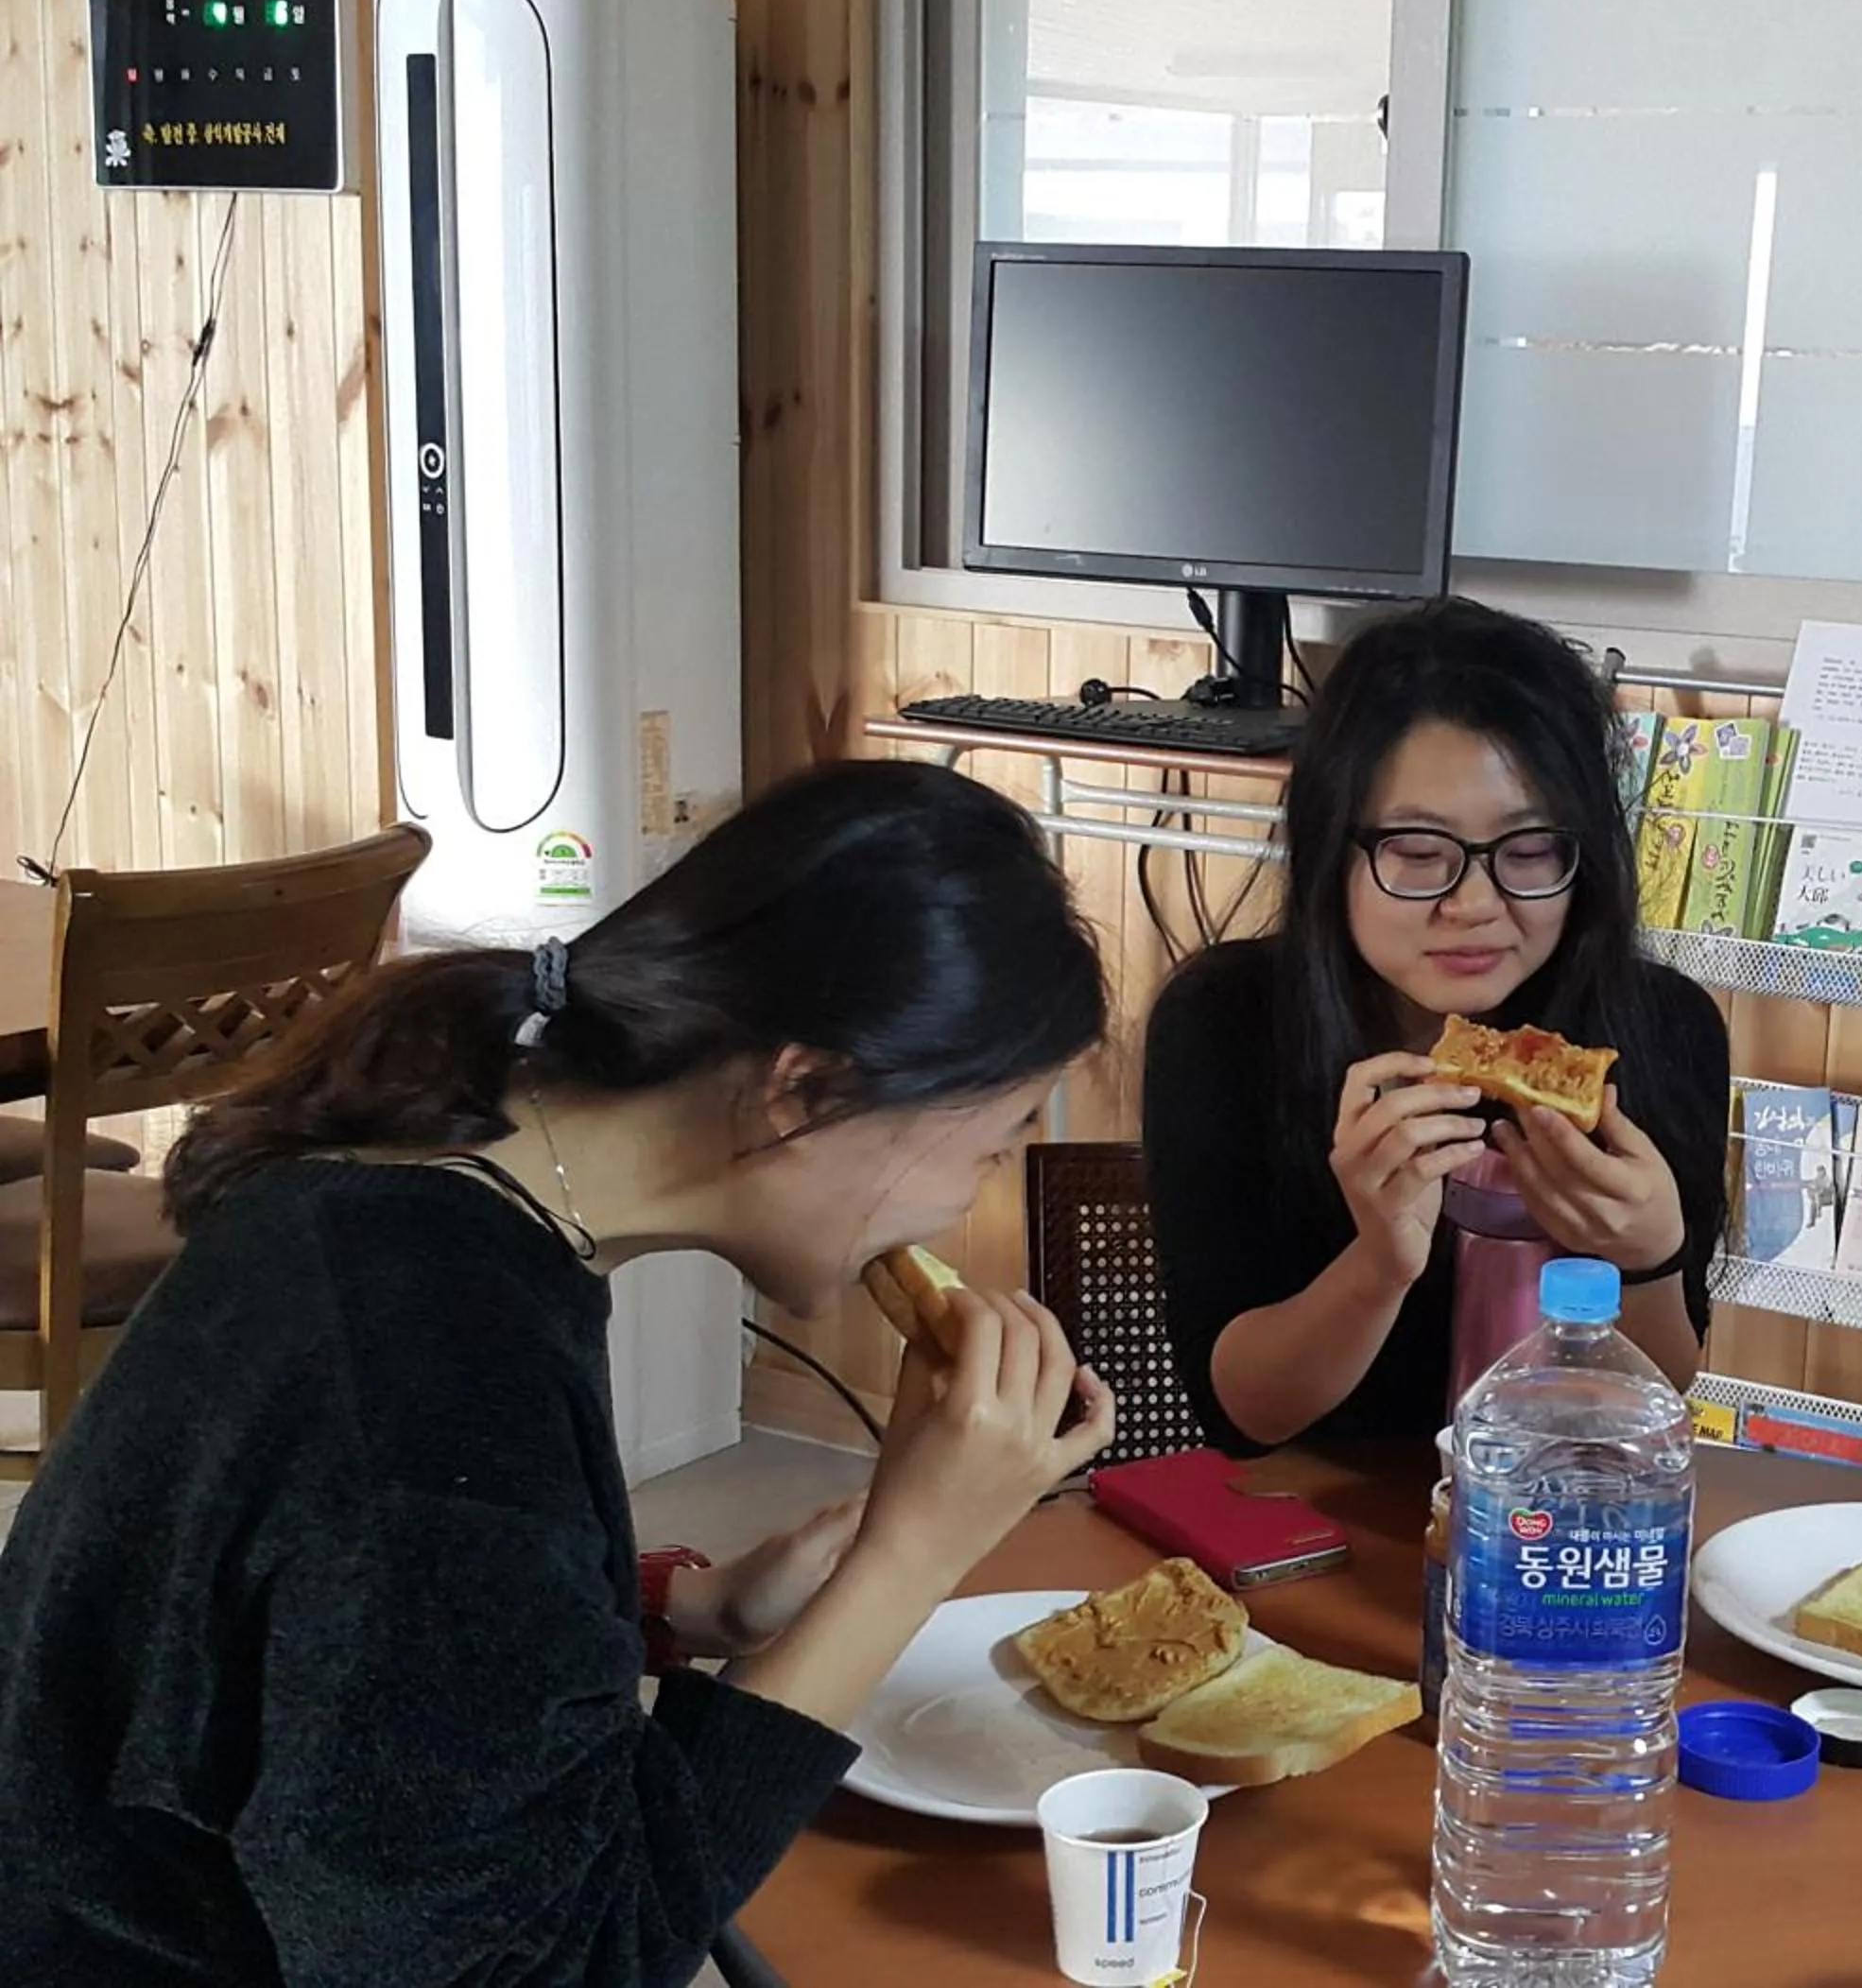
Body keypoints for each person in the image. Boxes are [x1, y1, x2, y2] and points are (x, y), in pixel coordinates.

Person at [0, 760, 1121, 1985]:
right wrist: (911, 1553)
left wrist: (676, 1610)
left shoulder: (424, 1175)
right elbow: (570, 1959)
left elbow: (352, 1646)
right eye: (990, 1145)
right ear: (804, 1092)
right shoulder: (435, 1384)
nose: (965, 1204)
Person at [1144, 597, 1730, 1451]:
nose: (1475, 904)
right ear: (1331, 847)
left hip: (1548, 1503)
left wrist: (1649, 1259)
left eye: (1529, 850)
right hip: (1319, 1507)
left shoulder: (1664, 1028)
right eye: (1419, 853)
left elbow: (1658, 1387)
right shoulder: (1227, 1021)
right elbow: (1243, 1416)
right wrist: (1380, 1261)